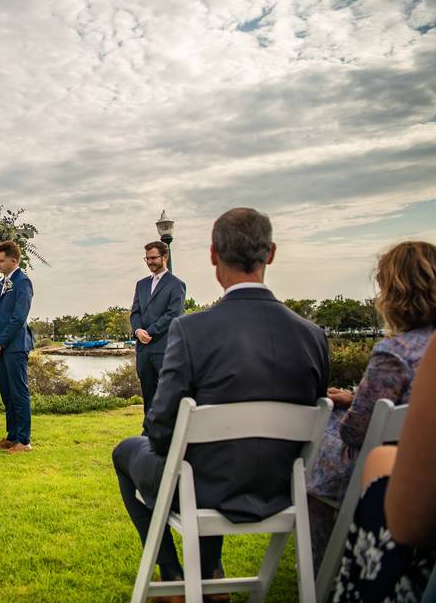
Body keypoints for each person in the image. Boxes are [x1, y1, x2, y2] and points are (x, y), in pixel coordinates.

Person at [113, 207, 329, 596]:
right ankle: (211, 572)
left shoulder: (192, 330)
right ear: (272, 253)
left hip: (204, 487)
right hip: (283, 488)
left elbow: (161, 432)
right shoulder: (313, 335)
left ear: (213, 255)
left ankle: (173, 575)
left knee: (127, 452)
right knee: (202, 461)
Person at [307, 240, 436, 565]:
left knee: (316, 450)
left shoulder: (395, 354)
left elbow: (356, 434)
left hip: (394, 469)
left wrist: (344, 409)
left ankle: (323, 566)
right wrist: (355, 399)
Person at [330, 336, 436, 602]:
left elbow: (408, 526)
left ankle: (322, 563)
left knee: (369, 462)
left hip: (411, 532)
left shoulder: (395, 352)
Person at [130, 240, 186, 424]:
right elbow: (135, 311)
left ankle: (169, 434)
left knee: (167, 395)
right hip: (144, 350)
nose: (150, 262)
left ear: (165, 257)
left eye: (153, 258)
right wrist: (138, 330)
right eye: (146, 258)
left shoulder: (176, 284)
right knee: (148, 396)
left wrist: (150, 332)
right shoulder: (141, 284)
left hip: (164, 348)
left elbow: (173, 314)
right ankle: (148, 433)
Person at [0, 240, 35, 454]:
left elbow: (18, 318)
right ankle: (12, 436)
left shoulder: (23, 282)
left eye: (1, 260)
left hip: (15, 346)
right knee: (7, 393)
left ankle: (24, 441)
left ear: (13, 260)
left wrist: (0, 343)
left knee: (19, 393)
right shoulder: (1, 284)